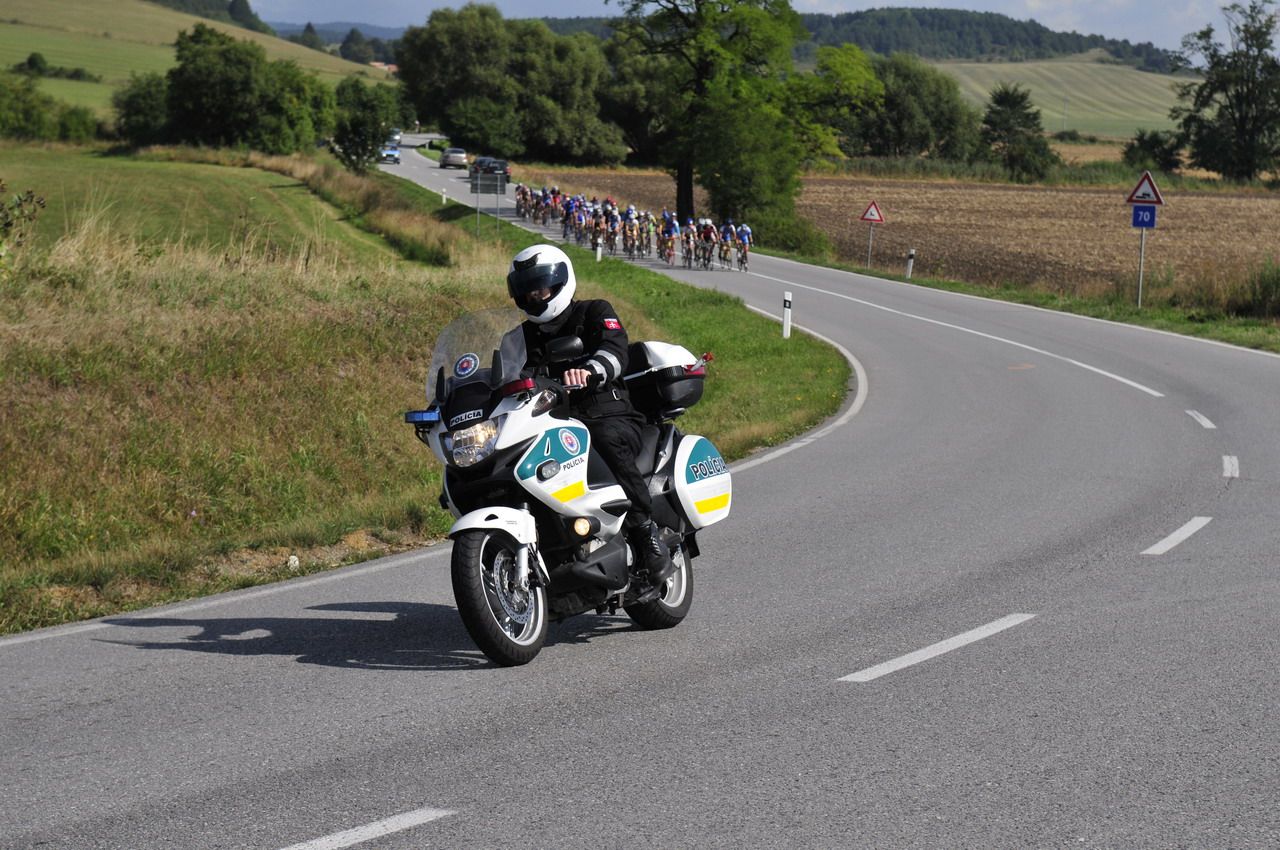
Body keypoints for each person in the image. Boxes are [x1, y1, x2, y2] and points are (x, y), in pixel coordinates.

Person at [505, 244, 677, 584]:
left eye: (540, 285)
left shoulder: (595, 312)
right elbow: (504, 376)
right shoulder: (517, 339)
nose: (534, 294)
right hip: (549, 421)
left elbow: (616, 351)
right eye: (526, 288)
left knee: (604, 438)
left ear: (561, 280)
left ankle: (645, 534)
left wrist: (591, 371)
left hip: (606, 414)